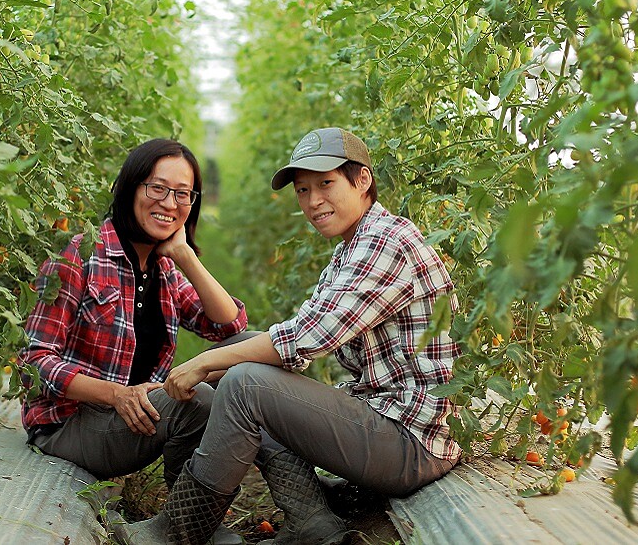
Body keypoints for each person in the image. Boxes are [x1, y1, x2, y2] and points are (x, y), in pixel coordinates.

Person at [116, 128, 461, 545]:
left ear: (363, 181)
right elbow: (291, 340)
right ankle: (312, 522)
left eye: (326, 184)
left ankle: (178, 530)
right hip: (381, 424)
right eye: (303, 190)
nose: (313, 201)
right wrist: (219, 359)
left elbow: (305, 340)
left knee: (244, 381)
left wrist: (202, 363)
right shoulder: (353, 246)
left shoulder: (387, 243)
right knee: (238, 353)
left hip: (410, 443)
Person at [18, 139, 249, 542]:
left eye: (183, 194)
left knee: (254, 348)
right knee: (198, 403)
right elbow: (34, 361)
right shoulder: (78, 256)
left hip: (133, 415)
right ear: (131, 188)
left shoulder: (163, 267)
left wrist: (186, 256)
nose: (170, 202)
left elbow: (230, 328)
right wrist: (115, 395)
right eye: (157, 188)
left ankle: (296, 513)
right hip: (71, 423)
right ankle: (189, 526)